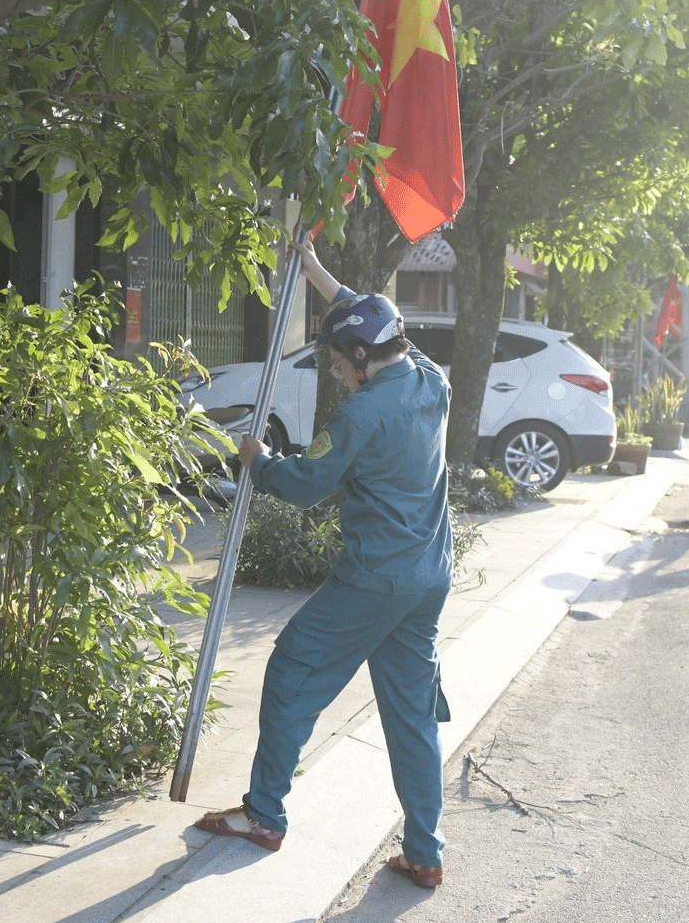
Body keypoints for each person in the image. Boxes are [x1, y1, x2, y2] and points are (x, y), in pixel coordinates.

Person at [194, 232, 454, 891]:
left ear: (363, 358)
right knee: (412, 715)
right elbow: (369, 315)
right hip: (427, 577)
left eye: (340, 359)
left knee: (291, 667)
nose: (336, 368)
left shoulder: (365, 411)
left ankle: (263, 815)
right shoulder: (432, 378)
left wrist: (260, 462)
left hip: (375, 578)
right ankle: (425, 853)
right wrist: (314, 272)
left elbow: (307, 484)